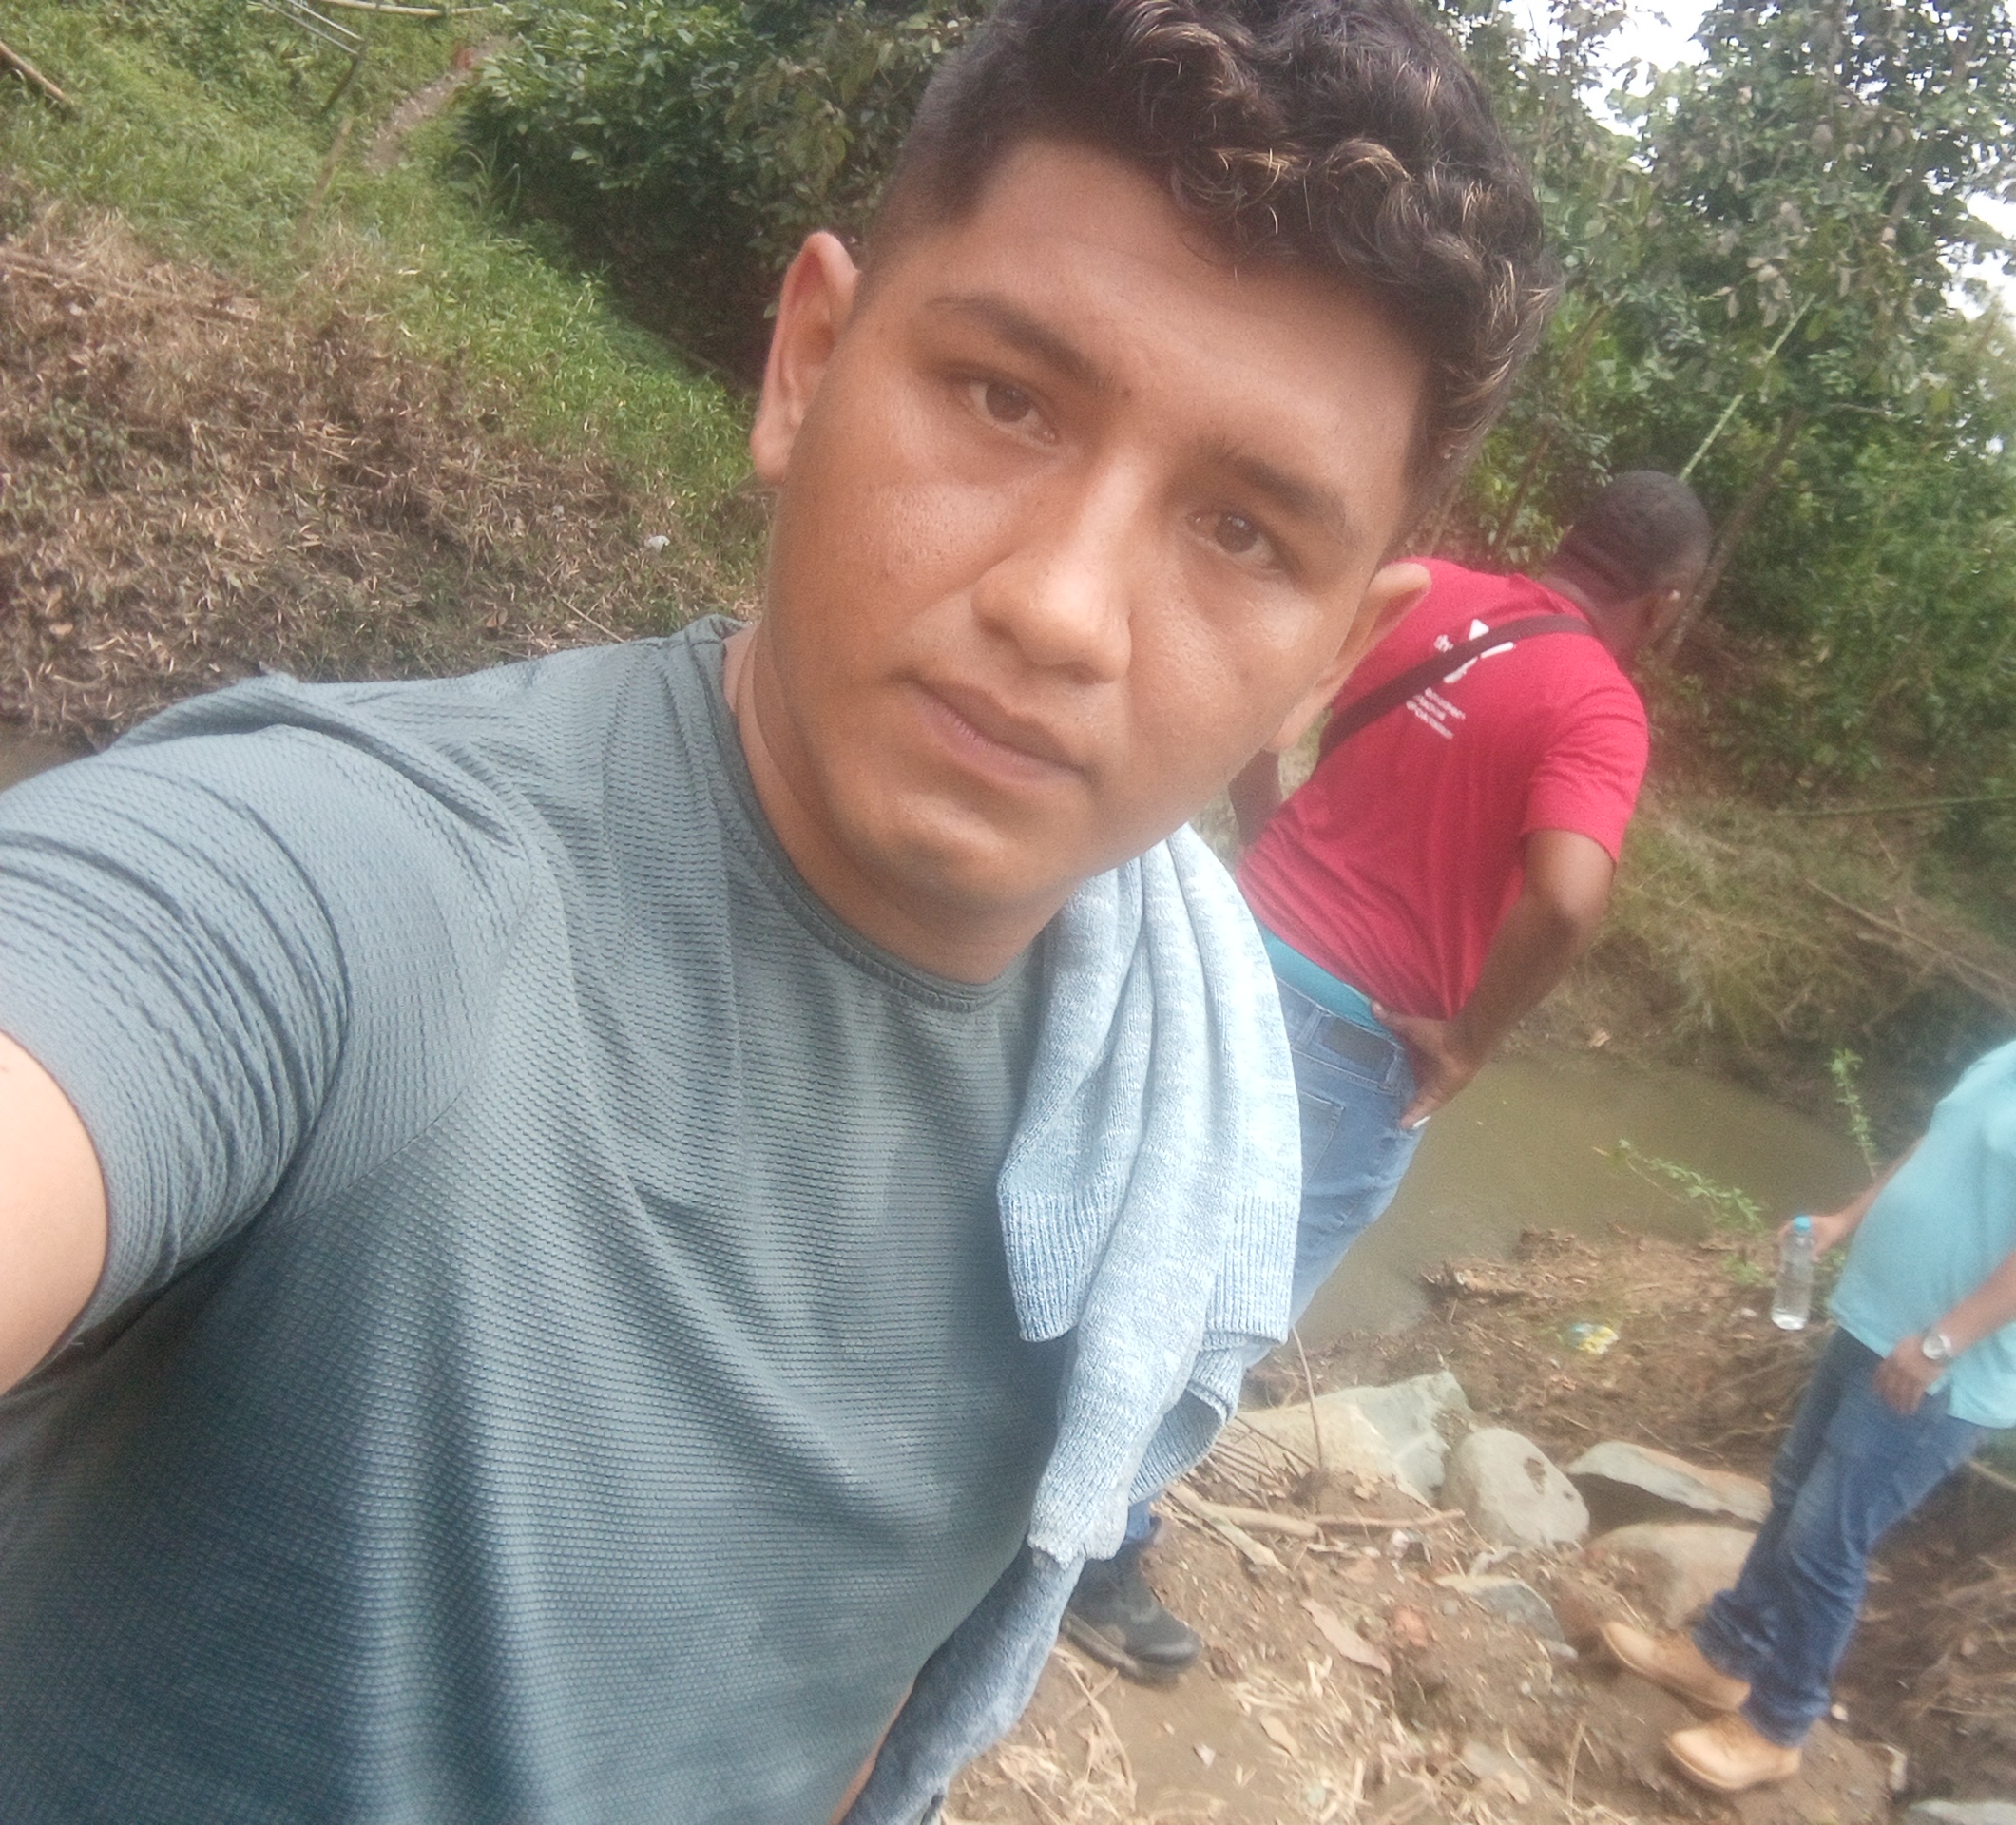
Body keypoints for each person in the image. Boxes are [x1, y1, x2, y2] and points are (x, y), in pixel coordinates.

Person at [0, 6, 1555, 1821]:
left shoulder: (1154, 1134)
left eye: (1241, 535)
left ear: (1336, 661)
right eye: (1005, 399)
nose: (1063, 610)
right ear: (808, 363)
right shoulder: (356, 884)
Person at [1061, 472, 1711, 1682]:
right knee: (1215, 1309)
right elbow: (1567, 897)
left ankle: (1000, 1455)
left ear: (1569, 539)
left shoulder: (1422, 592)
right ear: (1664, 603)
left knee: (1102, 1210)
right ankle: (1091, 1556)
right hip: (1351, 1046)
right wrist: (1469, 1041)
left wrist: (1270, 830)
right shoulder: (1598, 708)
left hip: (1220, 947)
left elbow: (1262, 720)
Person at [1601, 926, 2016, 1794]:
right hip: (1876, 1329)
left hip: (1941, 1374)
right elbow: (1935, 1148)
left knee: (1827, 1540)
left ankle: (1776, 1726)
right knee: (1793, 1496)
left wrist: (1943, 1341)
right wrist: (1845, 1220)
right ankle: (1722, 1656)